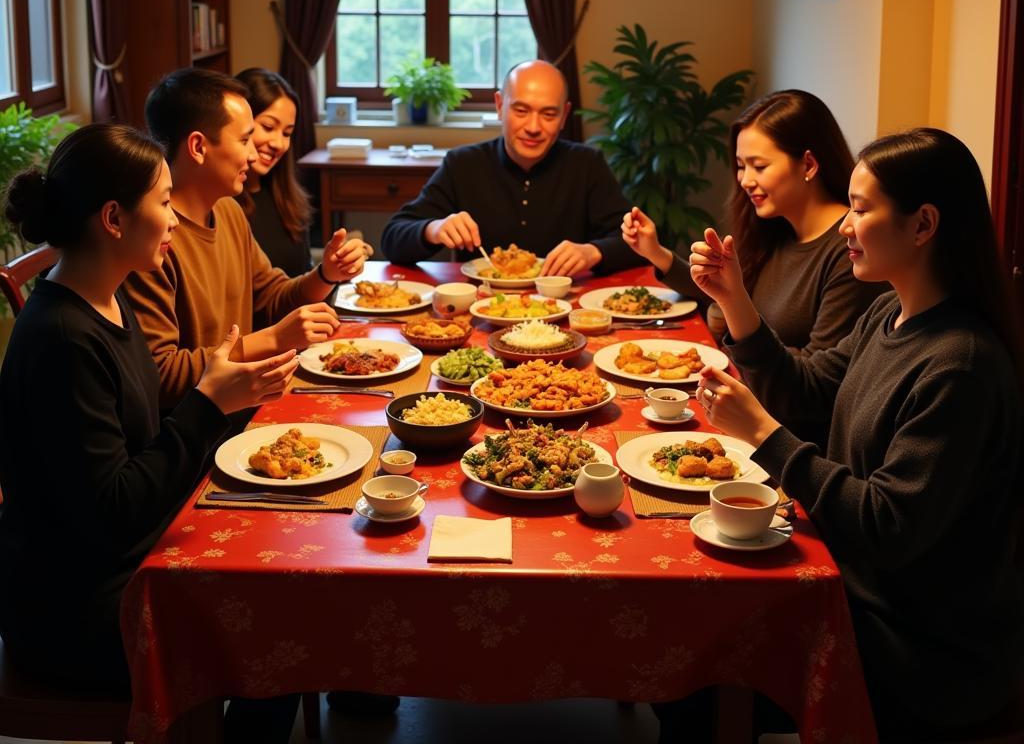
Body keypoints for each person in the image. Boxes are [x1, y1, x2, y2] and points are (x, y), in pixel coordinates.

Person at [688, 128, 1023, 741]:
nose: (845, 224)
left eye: (862, 209)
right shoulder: (888, 312)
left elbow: (886, 526)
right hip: (854, 585)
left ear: (922, 225)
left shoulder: (960, 363)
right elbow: (810, 387)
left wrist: (762, 431)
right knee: (692, 635)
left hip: (919, 646)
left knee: (701, 668)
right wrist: (734, 298)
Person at [0, 124, 300, 741]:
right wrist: (208, 404)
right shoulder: (62, 340)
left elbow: (144, 443)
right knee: (284, 624)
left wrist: (227, 396)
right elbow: (111, 512)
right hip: (76, 608)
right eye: (163, 202)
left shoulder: (108, 300)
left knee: (289, 547)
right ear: (114, 218)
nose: (174, 219)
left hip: (124, 555)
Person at [123, 68, 366, 409]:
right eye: (243, 140)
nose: (253, 156)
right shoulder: (152, 238)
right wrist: (274, 338)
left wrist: (326, 274)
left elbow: (271, 296)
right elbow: (161, 373)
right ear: (197, 147)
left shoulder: (228, 212)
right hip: (199, 429)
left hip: (245, 402)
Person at [623, 89, 884, 353]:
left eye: (759, 166)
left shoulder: (850, 251)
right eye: (740, 165)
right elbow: (724, 294)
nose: (745, 180)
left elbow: (818, 376)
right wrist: (655, 252)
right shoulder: (778, 227)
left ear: (808, 165)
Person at [381, 59, 635, 277]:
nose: (534, 127)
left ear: (564, 116)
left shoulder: (587, 164)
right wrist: (433, 229)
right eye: (521, 110)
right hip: (479, 308)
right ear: (500, 106)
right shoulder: (463, 164)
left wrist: (593, 252)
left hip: (565, 309)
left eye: (548, 114)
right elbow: (392, 238)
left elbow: (635, 244)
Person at [235, 67, 313, 276]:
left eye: (287, 133)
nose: (278, 143)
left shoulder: (288, 197)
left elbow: (304, 271)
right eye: (268, 127)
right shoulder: (223, 206)